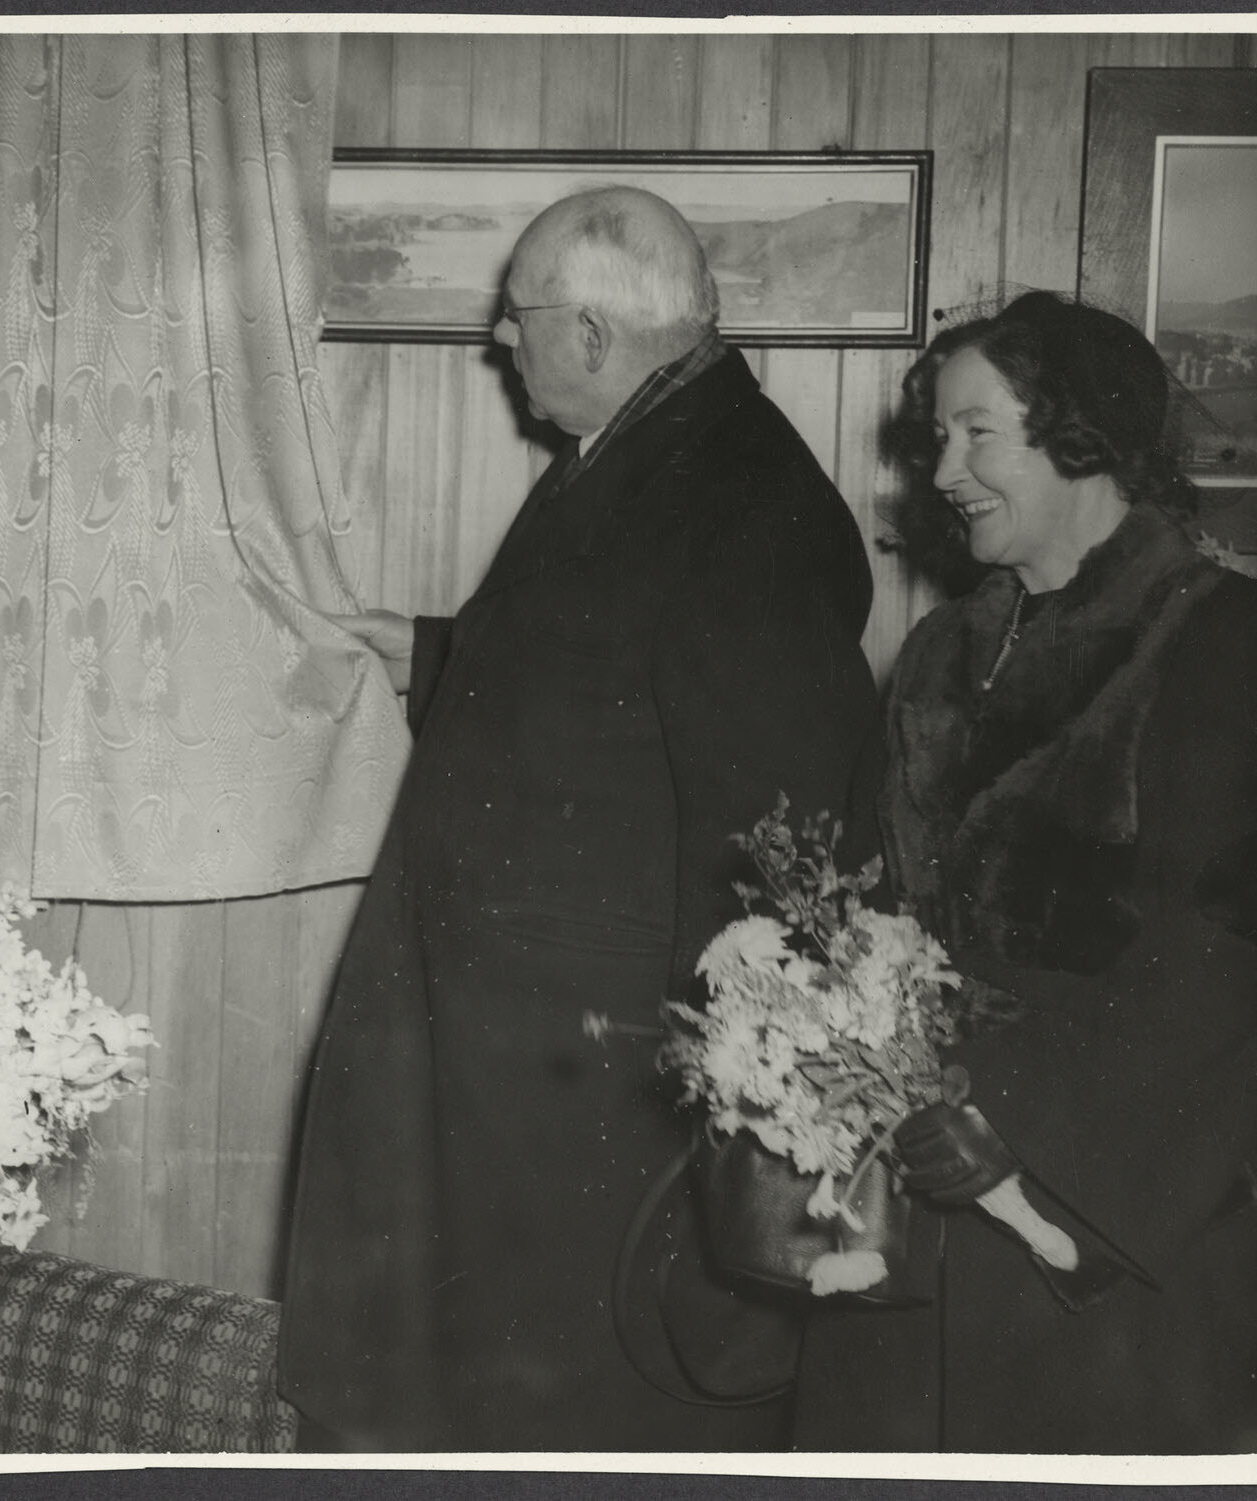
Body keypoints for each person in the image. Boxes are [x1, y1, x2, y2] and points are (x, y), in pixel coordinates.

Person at [277, 187, 882, 1450]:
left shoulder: (744, 499)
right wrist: (428, 652)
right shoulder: (650, 443)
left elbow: (771, 836)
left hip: (597, 1085)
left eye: (519, 316)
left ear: (594, 335)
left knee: (586, 1406)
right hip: (527, 1053)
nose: (502, 338)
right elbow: (608, 676)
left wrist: (719, 1098)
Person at [793, 292, 1257, 1453]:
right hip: (907, 1198)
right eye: (935, 437)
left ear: (1080, 436)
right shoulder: (939, 650)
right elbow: (856, 899)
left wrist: (1015, 1123)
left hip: (1098, 1227)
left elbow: (1230, 963)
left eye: (975, 434)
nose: (941, 471)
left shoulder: (1224, 643)